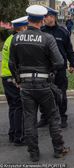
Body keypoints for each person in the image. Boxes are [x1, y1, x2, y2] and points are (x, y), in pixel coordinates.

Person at [9, 5, 69, 162]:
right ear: (42, 20)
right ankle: (59, 149)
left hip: (25, 86)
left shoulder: (16, 38)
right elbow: (59, 62)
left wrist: (18, 79)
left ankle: (33, 153)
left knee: (29, 119)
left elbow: (11, 63)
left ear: (28, 20)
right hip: (44, 84)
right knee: (53, 117)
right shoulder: (47, 38)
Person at [38, 7, 74, 128]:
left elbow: (69, 50)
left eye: (47, 16)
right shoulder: (41, 31)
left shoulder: (63, 32)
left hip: (59, 70)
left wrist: (73, 64)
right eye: (44, 17)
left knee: (61, 94)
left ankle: (62, 117)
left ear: (53, 17)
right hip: (44, 69)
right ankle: (44, 117)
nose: (44, 19)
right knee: (43, 94)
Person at [1, 16, 28, 146]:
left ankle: (13, 134)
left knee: (13, 106)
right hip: (12, 77)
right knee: (19, 106)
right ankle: (19, 137)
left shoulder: (9, 39)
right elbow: (17, 62)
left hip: (6, 77)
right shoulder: (16, 41)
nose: (27, 29)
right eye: (26, 27)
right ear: (21, 28)